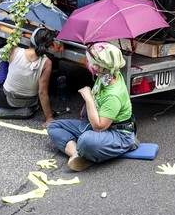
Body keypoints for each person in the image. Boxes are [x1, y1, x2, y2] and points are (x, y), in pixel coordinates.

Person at [47, 42, 137, 171]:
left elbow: (99, 126)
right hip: (97, 125)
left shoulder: (113, 94)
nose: (90, 65)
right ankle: (78, 156)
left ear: (100, 66)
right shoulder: (107, 74)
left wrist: (88, 98)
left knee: (85, 140)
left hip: (117, 133)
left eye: (92, 62)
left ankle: (89, 151)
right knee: (53, 126)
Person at [0, 27, 57, 125]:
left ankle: (2, 109)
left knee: (1, 65)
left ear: (32, 39)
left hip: (6, 100)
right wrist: (49, 117)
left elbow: (9, 43)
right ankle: (26, 110)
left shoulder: (16, 50)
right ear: (49, 45)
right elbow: (42, 92)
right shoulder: (47, 62)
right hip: (30, 102)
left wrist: (19, 32)